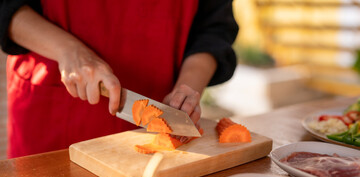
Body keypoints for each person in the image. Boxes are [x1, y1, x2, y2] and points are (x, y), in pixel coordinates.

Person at [0, 0, 238, 158]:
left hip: (157, 110)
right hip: (55, 109)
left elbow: (214, 25)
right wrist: (68, 50)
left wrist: (188, 87)